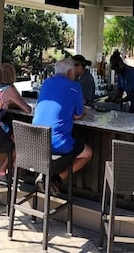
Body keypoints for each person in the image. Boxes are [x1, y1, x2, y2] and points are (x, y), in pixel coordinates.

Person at [33, 57, 93, 196]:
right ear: (70, 72)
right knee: (88, 153)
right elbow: (78, 115)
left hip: (35, 143)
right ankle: (56, 179)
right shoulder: (74, 86)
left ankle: (44, 175)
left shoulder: (46, 83)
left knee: (63, 142)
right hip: (56, 144)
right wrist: (82, 110)